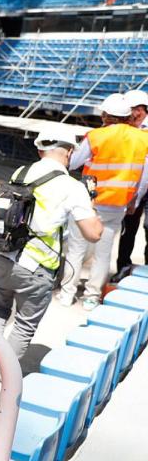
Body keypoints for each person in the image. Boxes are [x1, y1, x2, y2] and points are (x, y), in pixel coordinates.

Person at [0, 130, 103, 393]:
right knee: (24, 324)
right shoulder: (72, 187)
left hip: (3, 257)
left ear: (40, 150)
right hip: (38, 267)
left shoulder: (21, 172)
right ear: (69, 152)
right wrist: (91, 202)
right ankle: (3, 382)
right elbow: (93, 233)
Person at [60, 93, 148, 309]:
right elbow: (143, 176)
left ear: (106, 115)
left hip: (88, 202)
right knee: (103, 252)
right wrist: (134, 201)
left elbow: (73, 163)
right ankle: (92, 295)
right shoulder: (142, 139)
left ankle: (67, 293)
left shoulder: (96, 136)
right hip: (117, 205)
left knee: (76, 249)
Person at [115, 89, 148, 274]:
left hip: (142, 186)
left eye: (132, 110)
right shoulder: (127, 128)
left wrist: (136, 197)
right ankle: (123, 268)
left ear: (141, 110)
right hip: (132, 185)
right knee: (127, 229)